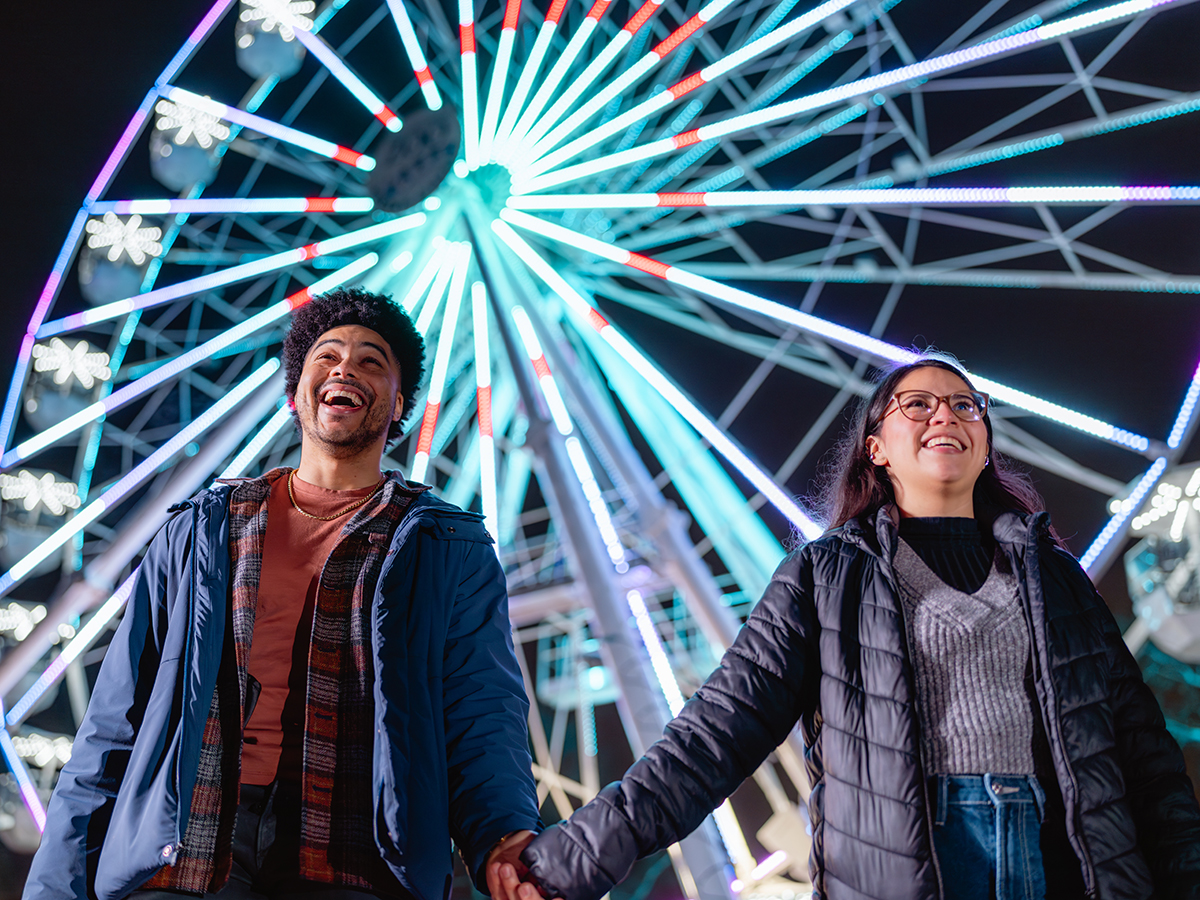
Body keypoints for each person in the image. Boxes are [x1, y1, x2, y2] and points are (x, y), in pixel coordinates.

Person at [492, 355, 1200, 900]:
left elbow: (1147, 764)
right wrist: (565, 862)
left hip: (1067, 857)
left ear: (984, 441)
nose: (943, 415)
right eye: (915, 404)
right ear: (876, 449)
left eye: (964, 405)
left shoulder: (1057, 582)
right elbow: (712, 738)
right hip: (914, 859)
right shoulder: (824, 579)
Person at [23, 288, 541, 900]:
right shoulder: (199, 532)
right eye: (327, 356)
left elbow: (482, 711)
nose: (346, 367)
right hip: (186, 845)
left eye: (372, 361)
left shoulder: (447, 546)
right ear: (297, 392)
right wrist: (56, 886)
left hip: (354, 853)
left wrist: (504, 835)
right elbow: (114, 726)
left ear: (398, 403)